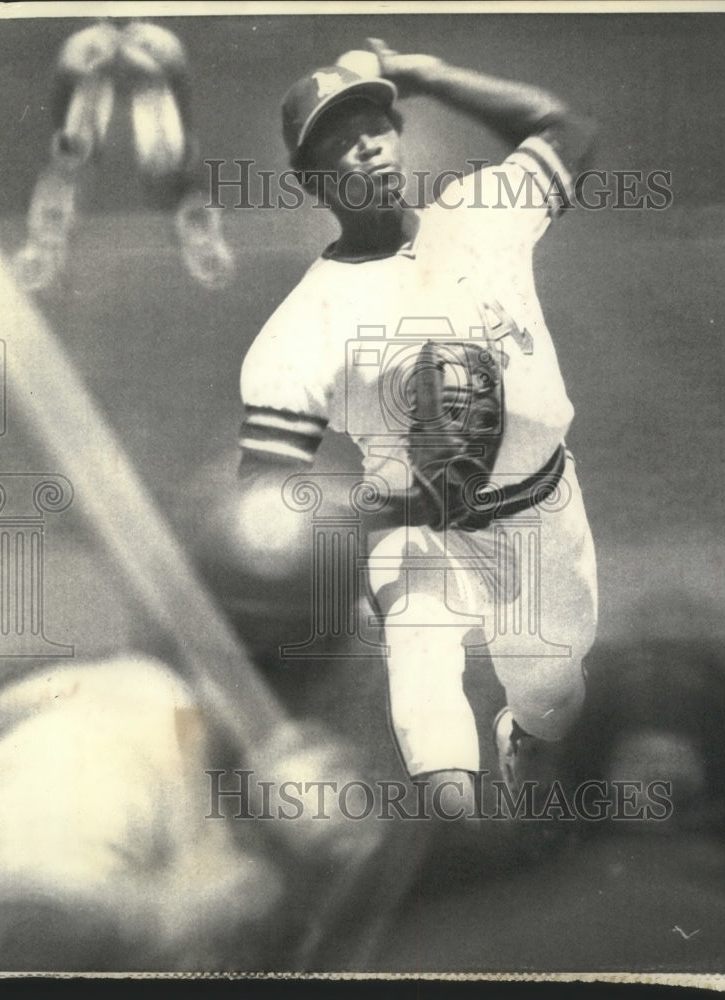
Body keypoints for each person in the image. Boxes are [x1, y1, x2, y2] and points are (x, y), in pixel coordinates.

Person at [236, 38, 598, 816]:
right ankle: (462, 837)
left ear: (397, 135)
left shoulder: (480, 214)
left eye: (374, 122)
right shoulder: (300, 328)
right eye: (336, 137)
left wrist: (428, 75)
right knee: (425, 680)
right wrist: (397, 506)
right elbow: (262, 507)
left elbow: (566, 127)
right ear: (310, 178)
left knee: (550, 698)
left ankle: (526, 740)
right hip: (420, 537)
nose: (365, 142)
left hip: (544, 510)